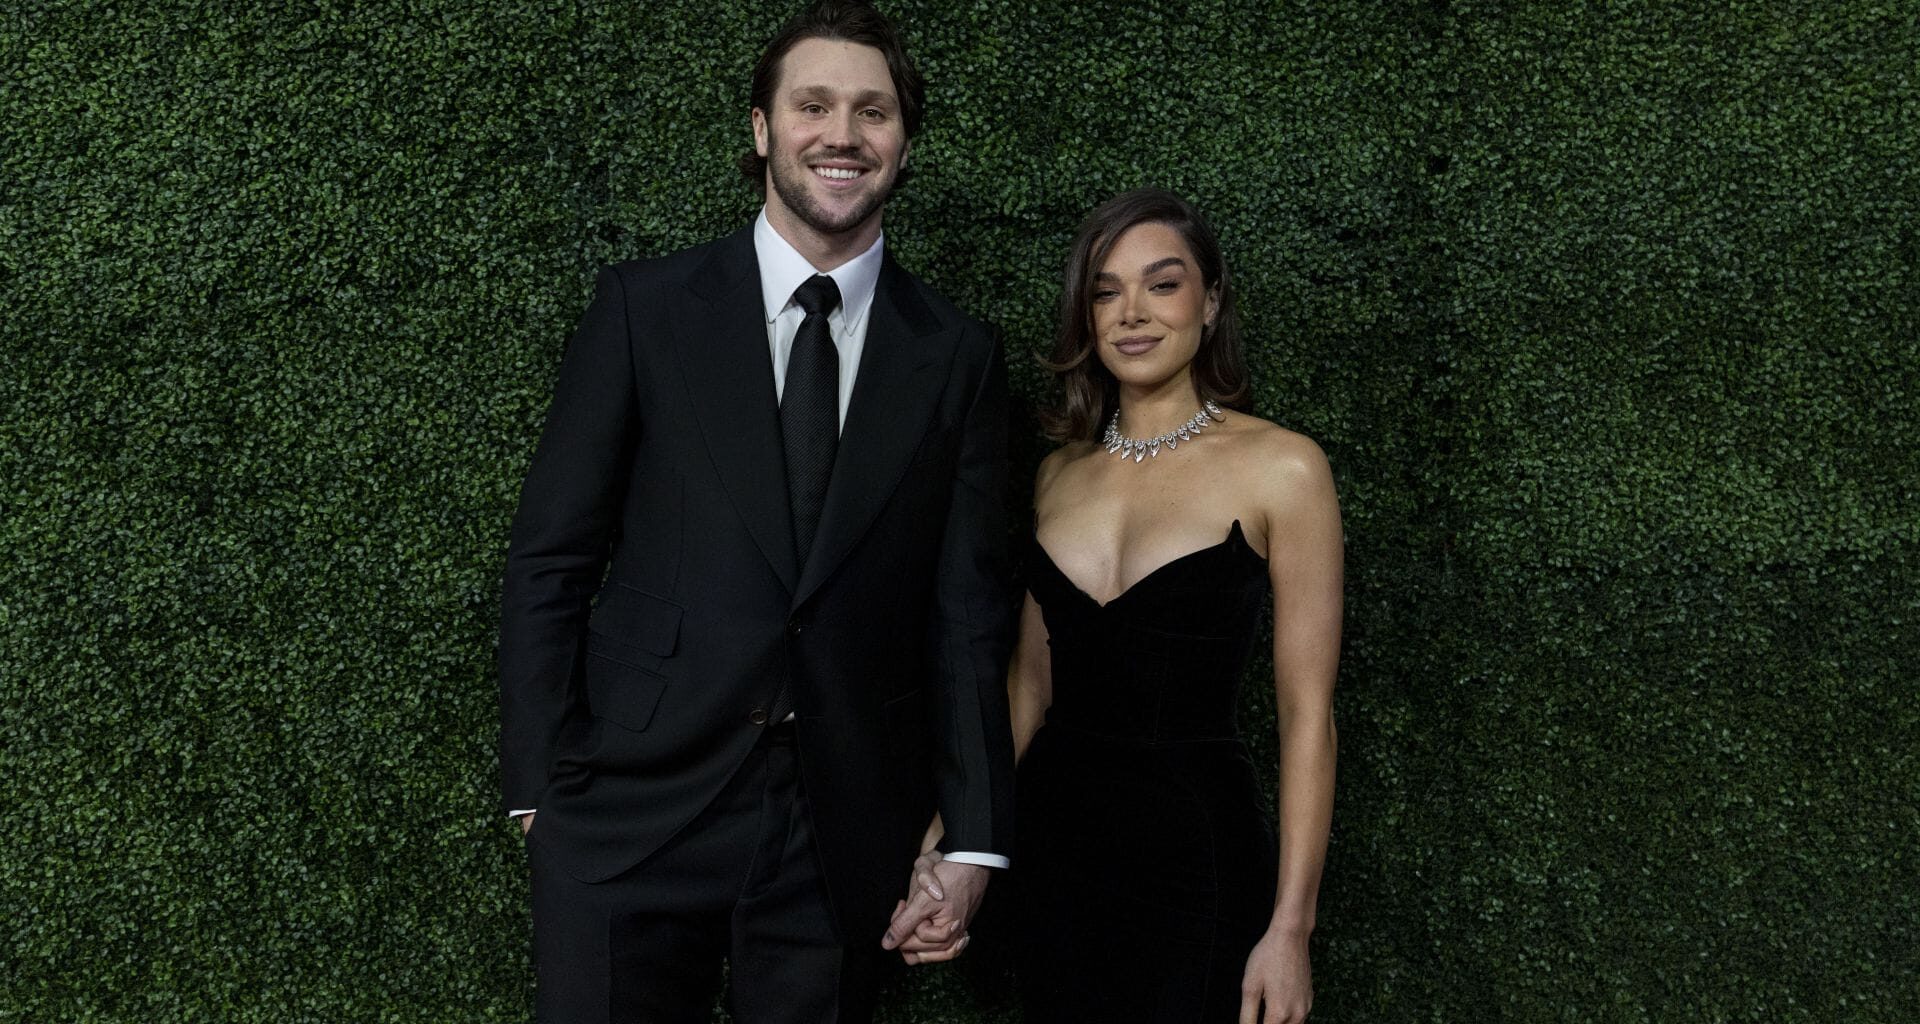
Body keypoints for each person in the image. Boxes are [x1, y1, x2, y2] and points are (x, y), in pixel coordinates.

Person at [495, 2, 1015, 1020]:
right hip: (631, 811)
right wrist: (540, 793)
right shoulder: (646, 311)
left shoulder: (957, 357)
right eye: (812, 105)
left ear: (903, 143)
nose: (842, 134)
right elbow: (552, 558)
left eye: (873, 112)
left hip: (839, 830)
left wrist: (971, 839)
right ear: (762, 128)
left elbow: (968, 617)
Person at [1006, 189, 1343, 1023]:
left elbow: (1309, 716)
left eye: (1162, 284)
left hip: (1197, 855)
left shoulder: (1285, 468)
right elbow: (1027, 690)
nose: (1132, 313)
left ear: (1211, 300)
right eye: (1105, 289)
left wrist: (1290, 929)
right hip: (1052, 854)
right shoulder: (1056, 475)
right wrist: (956, 838)